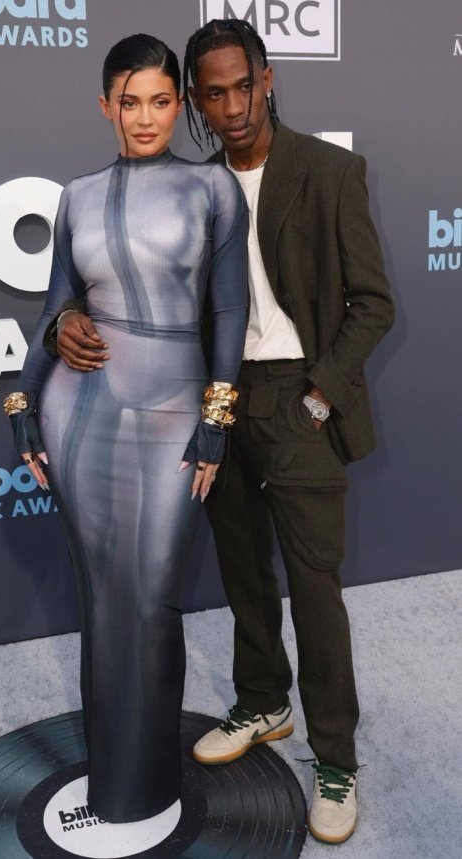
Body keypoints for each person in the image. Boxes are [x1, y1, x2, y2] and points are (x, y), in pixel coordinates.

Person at [47, 18, 394, 844]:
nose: (232, 105)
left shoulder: (330, 171)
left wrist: (317, 396)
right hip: (209, 399)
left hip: (296, 397)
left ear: (267, 79)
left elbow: (371, 303)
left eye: (244, 85)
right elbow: (108, 286)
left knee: (312, 585)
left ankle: (336, 757)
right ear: (193, 102)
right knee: (240, 568)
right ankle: (264, 700)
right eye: (213, 92)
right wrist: (63, 315)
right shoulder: (188, 186)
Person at [2, 33, 248, 824]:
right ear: (105, 105)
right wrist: (21, 406)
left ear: (180, 104)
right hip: (82, 414)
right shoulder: (75, 195)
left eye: (161, 101)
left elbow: (228, 310)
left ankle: (148, 783)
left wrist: (215, 421)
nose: (144, 118)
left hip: (176, 415)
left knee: (148, 599)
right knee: (104, 600)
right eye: (128, 101)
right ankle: (114, 784)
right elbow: (52, 314)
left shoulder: (212, 191)